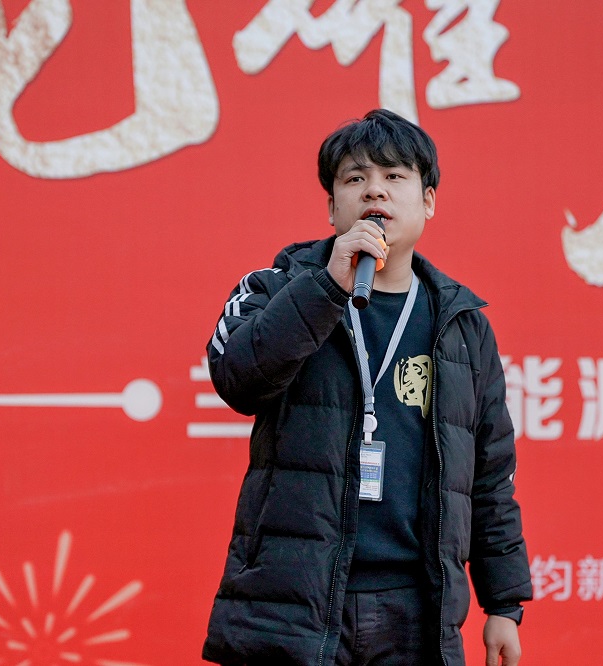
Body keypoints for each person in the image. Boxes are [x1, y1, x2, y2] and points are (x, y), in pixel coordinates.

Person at [202, 109, 531, 666]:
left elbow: (490, 474)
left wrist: (503, 602)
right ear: (333, 207)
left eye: (394, 176)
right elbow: (237, 378)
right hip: (294, 601)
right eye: (355, 178)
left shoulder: (461, 326)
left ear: (428, 201)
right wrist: (326, 287)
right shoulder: (278, 287)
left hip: (414, 608)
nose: (374, 189)